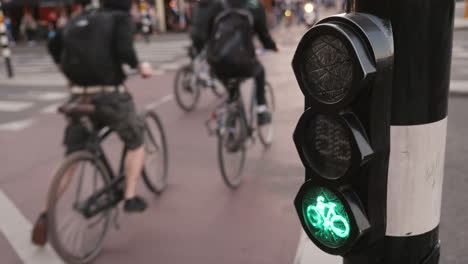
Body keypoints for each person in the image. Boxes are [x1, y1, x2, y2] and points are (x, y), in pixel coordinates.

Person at [31, 0, 153, 246]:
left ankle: (44, 214)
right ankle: (130, 197)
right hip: (110, 96)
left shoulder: (79, 17)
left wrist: (64, 73)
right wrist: (140, 66)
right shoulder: (120, 18)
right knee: (136, 140)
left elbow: (54, 44)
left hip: (78, 98)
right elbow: (125, 51)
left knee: (72, 157)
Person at [205, 0, 279, 125]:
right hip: (243, 62)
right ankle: (261, 111)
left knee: (231, 86)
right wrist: (272, 46)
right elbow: (263, 34)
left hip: (218, 63)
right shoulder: (254, 6)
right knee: (260, 71)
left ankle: (232, 125)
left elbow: (208, 33)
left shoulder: (218, 5)